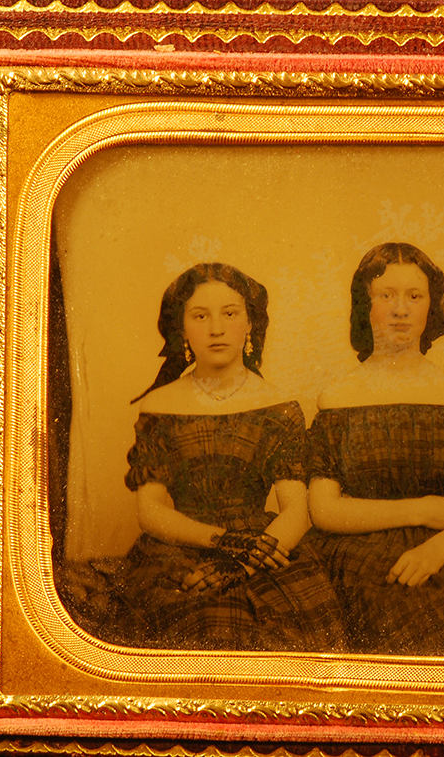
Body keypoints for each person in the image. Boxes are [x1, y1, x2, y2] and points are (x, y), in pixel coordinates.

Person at [307, 243, 444, 657]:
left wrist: (437, 549)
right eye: (386, 295)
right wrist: (420, 510)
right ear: (365, 305)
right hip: (362, 552)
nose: (400, 309)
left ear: (432, 307)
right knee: (395, 608)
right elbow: (324, 511)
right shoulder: (338, 399)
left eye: (414, 296)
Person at [115, 263, 347, 651]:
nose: (216, 329)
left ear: (250, 323)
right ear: (182, 328)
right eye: (200, 316)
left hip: (261, 547)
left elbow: (297, 510)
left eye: (230, 313)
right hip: (181, 544)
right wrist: (219, 541)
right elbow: (151, 510)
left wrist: (237, 564)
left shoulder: (279, 407)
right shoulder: (160, 407)